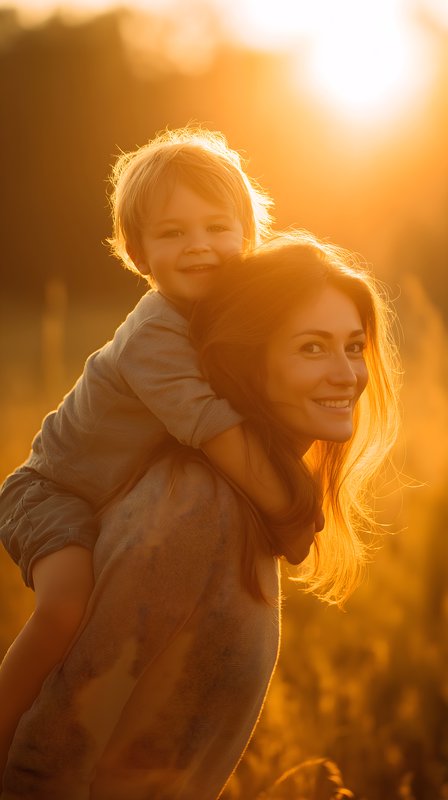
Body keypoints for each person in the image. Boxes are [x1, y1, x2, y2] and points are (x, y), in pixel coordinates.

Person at [1, 231, 401, 800]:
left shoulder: (250, 500)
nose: (346, 374)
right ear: (250, 361)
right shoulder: (194, 507)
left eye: (354, 346)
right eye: (312, 347)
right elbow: (59, 741)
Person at [0, 127, 317, 783]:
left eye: (216, 226)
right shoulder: (155, 333)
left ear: (247, 233)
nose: (199, 246)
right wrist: (290, 508)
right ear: (140, 253)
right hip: (52, 492)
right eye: (172, 234)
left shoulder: (227, 316)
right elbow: (219, 433)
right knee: (66, 606)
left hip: (124, 501)